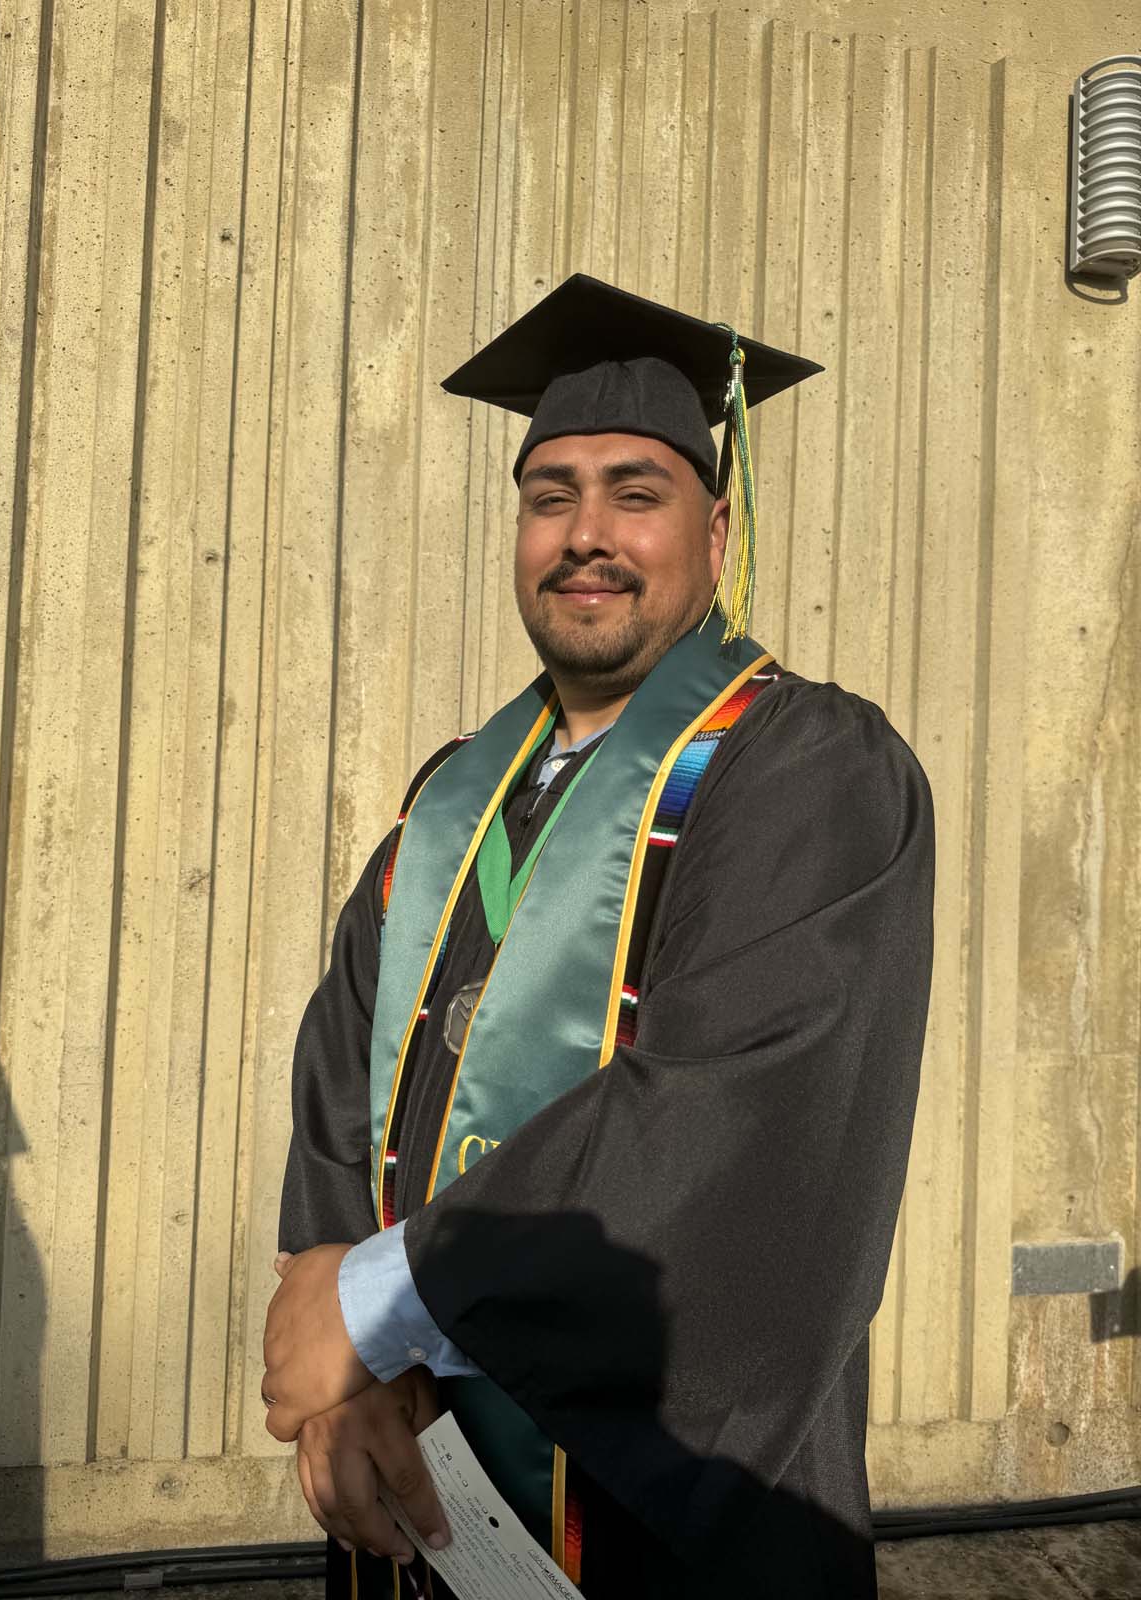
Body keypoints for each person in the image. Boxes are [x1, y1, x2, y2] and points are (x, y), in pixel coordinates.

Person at [263, 275, 934, 1599]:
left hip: (669, 1530)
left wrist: (381, 1304)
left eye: (637, 492)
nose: (585, 534)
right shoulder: (451, 801)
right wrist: (343, 1363)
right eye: (549, 495)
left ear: (717, 530)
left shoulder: (806, 771)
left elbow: (732, 1122)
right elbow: (343, 1082)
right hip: (419, 1495)